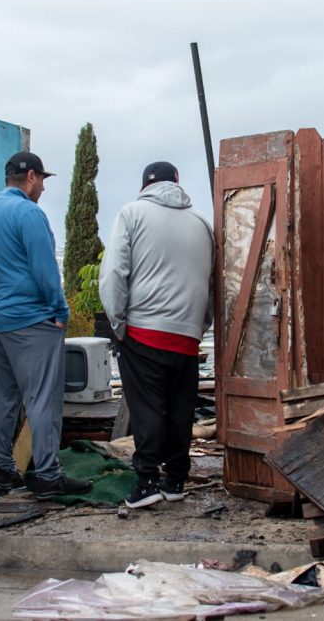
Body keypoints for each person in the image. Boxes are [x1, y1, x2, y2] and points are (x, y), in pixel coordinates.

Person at [0, 151, 92, 499]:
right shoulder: (29, 213)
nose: (42, 188)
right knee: (42, 400)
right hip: (32, 321)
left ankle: (5, 473)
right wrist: (60, 311)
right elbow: (45, 269)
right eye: (42, 181)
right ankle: (48, 475)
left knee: (2, 399)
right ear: (31, 178)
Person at [99, 161, 214, 508]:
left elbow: (114, 274)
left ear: (143, 185)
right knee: (181, 410)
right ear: (177, 182)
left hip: (144, 331)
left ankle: (147, 481)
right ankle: (176, 479)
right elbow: (212, 283)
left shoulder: (132, 214)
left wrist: (118, 326)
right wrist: (198, 326)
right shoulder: (202, 223)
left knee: (147, 409)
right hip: (187, 336)